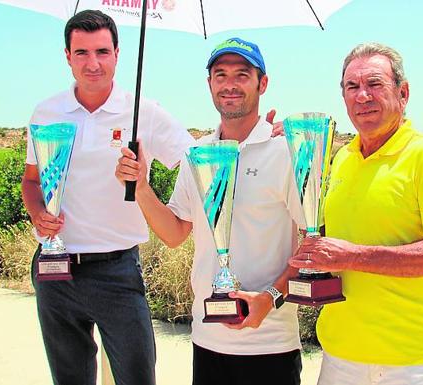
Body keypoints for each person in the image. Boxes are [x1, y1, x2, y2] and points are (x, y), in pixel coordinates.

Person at [116, 37, 304, 385]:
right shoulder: (197, 154)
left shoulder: (285, 151)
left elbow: (312, 247)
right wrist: (141, 187)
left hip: (271, 345)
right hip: (207, 339)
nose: (230, 84)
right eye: (220, 75)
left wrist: (270, 298)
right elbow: (174, 234)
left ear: (262, 83)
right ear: (209, 84)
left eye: (242, 75)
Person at [20, 10, 194, 385]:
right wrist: (37, 213)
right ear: (67, 56)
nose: (93, 63)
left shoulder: (142, 113)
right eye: (81, 53)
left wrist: (261, 133)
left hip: (116, 270)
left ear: (117, 53)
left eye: (102, 51)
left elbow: (197, 161)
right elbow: (31, 182)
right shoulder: (46, 112)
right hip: (55, 269)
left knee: (136, 376)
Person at [289, 43, 423, 385]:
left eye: (374, 84)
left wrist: (351, 256)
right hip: (340, 356)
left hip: (412, 362)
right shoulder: (340, 158)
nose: (363, 96)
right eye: (352, 87)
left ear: (403, 93)